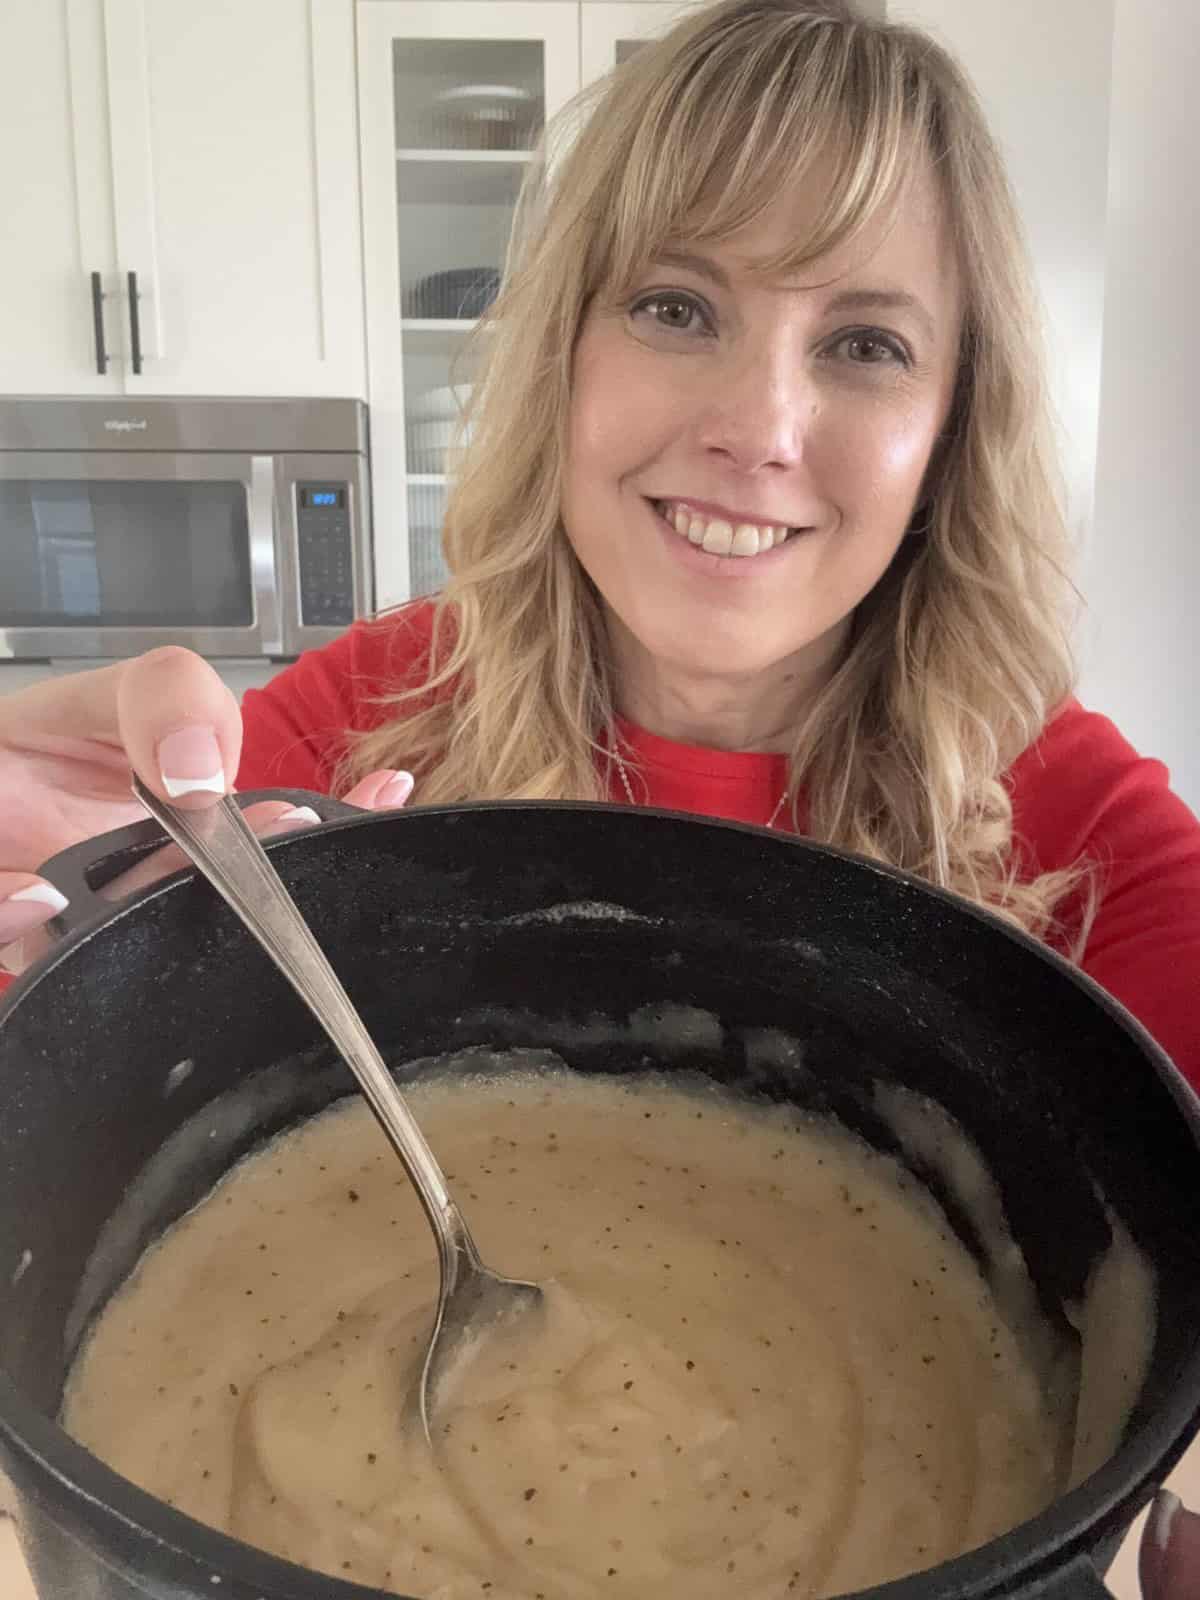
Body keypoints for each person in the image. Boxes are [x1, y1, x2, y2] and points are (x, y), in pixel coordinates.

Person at [0, 0, 1198, 1588]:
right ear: (564, 341)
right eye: (677, 304)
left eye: (863, 343)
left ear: (949, 425)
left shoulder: (1095, 848)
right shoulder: (351, 727)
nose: (756, 428)